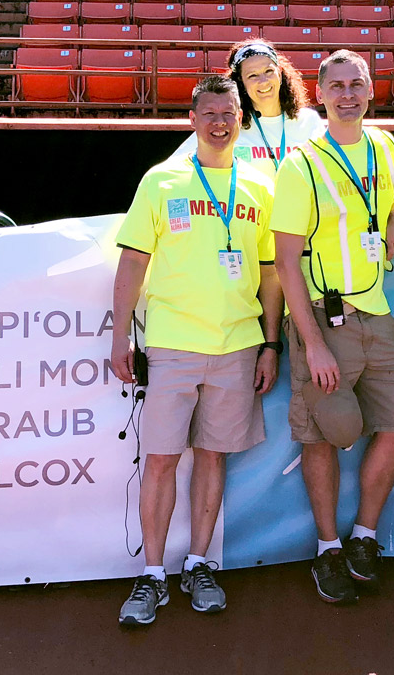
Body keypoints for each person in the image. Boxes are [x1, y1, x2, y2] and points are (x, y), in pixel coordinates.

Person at [111, 75, 283, 626]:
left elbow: (272, 274)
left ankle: (199, 563)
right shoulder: (161, 181)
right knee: (161, 460)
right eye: (209, 113)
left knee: (213, 457)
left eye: (229, 113)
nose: (219, 122)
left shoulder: (259, 186)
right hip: (173, 345)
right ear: (193, 120)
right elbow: (133, 262)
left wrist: (271, 343)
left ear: (242, 118)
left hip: (237, 346)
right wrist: (121, 336)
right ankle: (153, 575)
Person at [270, 49, 394, 605]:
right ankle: (327, 547)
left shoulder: (384, 144)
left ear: (371, 89)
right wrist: (312, 346)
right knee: (321, 434)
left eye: (357, 84)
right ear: (320, 93)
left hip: (376, 315)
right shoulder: (300, 163)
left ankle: (364, 537)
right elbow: (285, 262)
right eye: (337, 86)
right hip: (323, 321)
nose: (348, 95)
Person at [173, 38, 325, 179]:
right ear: (241, 83)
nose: (263, 81)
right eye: (253, 75)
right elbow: (174, 167)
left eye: (269, 71)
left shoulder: (309, 121)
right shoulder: (229, 125)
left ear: (280, 73)